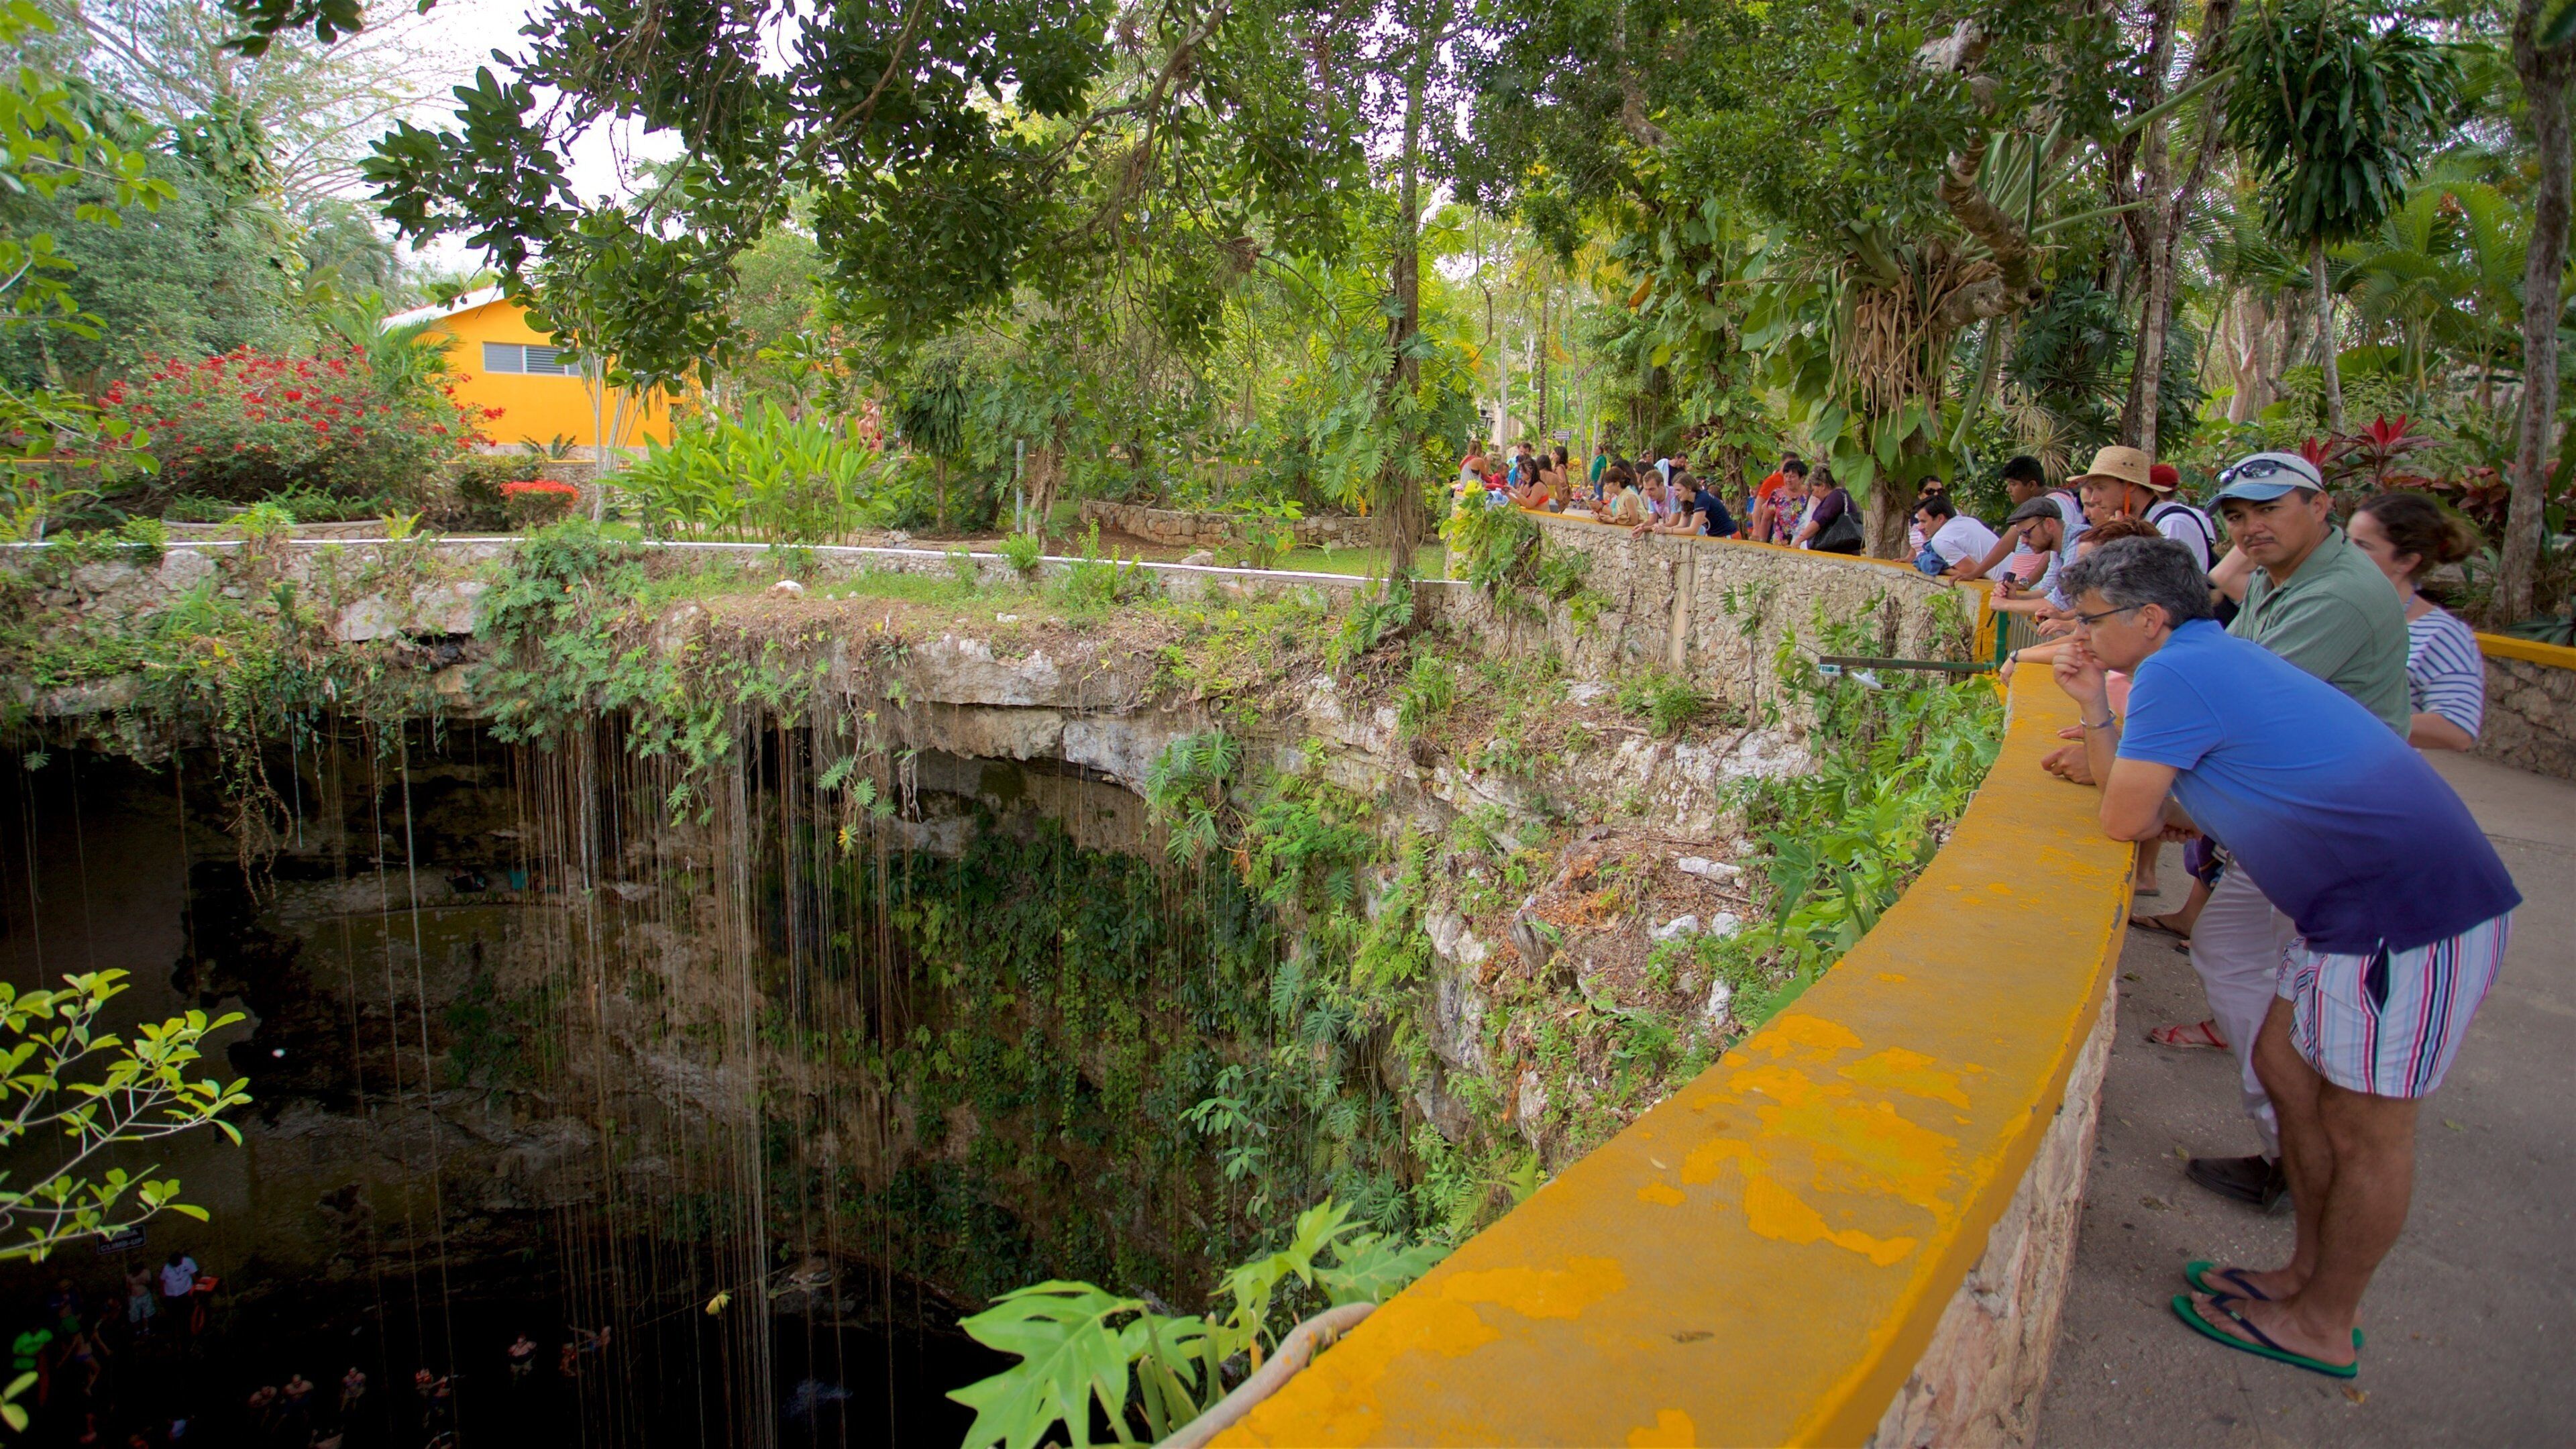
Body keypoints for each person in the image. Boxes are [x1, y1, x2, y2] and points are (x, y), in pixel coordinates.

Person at [2049, 535, 2518, 1380]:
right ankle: (2302, 1276)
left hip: (2406, 912)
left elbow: (2127, 819)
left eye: (2091, 621)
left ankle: (2327, 1321)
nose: (2079, 635)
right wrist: (2095, 700)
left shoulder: (2173, 673)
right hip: (2347, 912)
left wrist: (2094, 715)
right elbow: (2176, 801)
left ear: (2149, 619)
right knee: (2285, 1066)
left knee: (2369, 1128)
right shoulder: (2202, 655)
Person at [2174, 449, 2411, 1209]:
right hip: (2290, 818)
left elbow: (2237, 704)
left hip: (2333, 831)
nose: (2252, 526)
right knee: (2229, 951)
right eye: (2239, 516)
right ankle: (2289, 1149)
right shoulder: (2286, 582)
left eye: (2269, 508)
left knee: (2308, 1026)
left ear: (2321, 505)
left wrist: (2139, 762)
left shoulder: (2337, 594)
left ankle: (2313, 1172)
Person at [2349, 492, 2483, 751]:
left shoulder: (2441, 635)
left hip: (2369, 783)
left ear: (2407, 561)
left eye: (2362, 545)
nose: (2344, 553)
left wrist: (2349, 723)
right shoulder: (2327, 609)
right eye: (2345, 540)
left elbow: (2456, 728)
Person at [1912, 494, 1998, 576]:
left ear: (1940, 519)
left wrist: (1939, 569)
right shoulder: (1969, 521)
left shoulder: (1940, 540)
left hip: (2002, 584)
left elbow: (1973, 573)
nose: (1920, 527)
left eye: (1924, 521)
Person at [1792, 466, 1862, 553]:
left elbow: (1820, 520)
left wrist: (1800, 539)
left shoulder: (1835, 497)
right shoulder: (1841, 495)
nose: (1813, 494)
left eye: (1813, 490)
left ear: (1822, 486)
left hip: (1840, 551)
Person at [1751, 456, 1806, 543]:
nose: (1788, 480)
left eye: (1792, 477)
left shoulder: (1809, 495)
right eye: (1786, 476)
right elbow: (1766, 519)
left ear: (1802, 478)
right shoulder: (1777, 494)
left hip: (1802, 544)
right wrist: (1762, 543)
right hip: (1779, 543)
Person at [158, 1254, 197, 1334]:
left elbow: (195, 1274)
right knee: (174, 1316)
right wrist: (163, 1293)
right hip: (171, 1296)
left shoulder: (188, 1262)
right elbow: (162, 1280)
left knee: (186, 1315)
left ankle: (188, 1332)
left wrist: (195, 1289)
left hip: (185, 1293)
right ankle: (174, 1333)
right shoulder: (167, 1268)